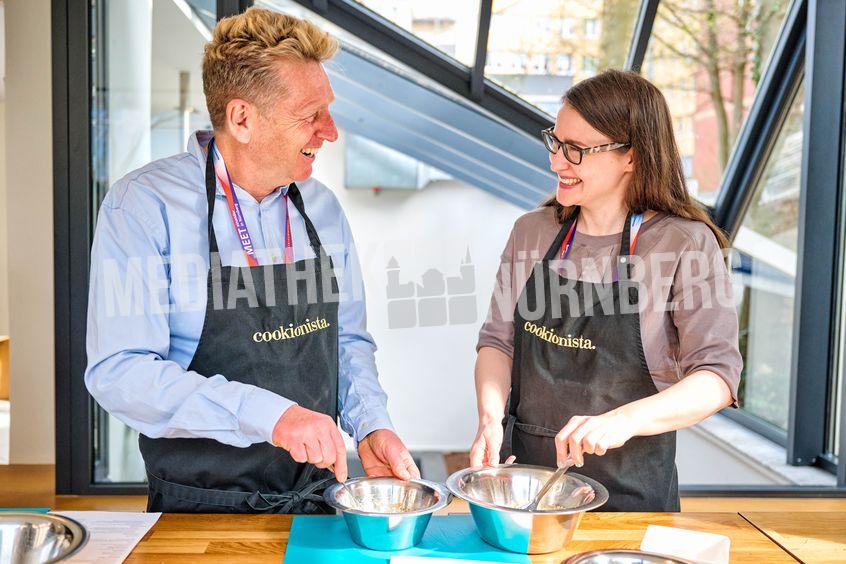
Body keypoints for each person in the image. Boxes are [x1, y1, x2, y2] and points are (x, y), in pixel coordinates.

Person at [85, 7, 418, 513]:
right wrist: (272, 416)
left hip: (318, 503)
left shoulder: (323, 209)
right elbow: (120, 370)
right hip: (198, 512)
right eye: (311, 115)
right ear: (242, 118)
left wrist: (371, 423)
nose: (330, 132)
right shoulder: (144, 206)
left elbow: (346, 339)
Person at [469, 69, 742, 511]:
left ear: (631, 156)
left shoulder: (684, 244)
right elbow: (497, 342)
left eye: (576, 150)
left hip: (628, 498)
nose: (557, 162)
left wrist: (625, 419)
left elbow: (716, 377)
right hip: (526, 489)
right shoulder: (531, 232)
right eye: (555, 142)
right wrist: (488, 420)